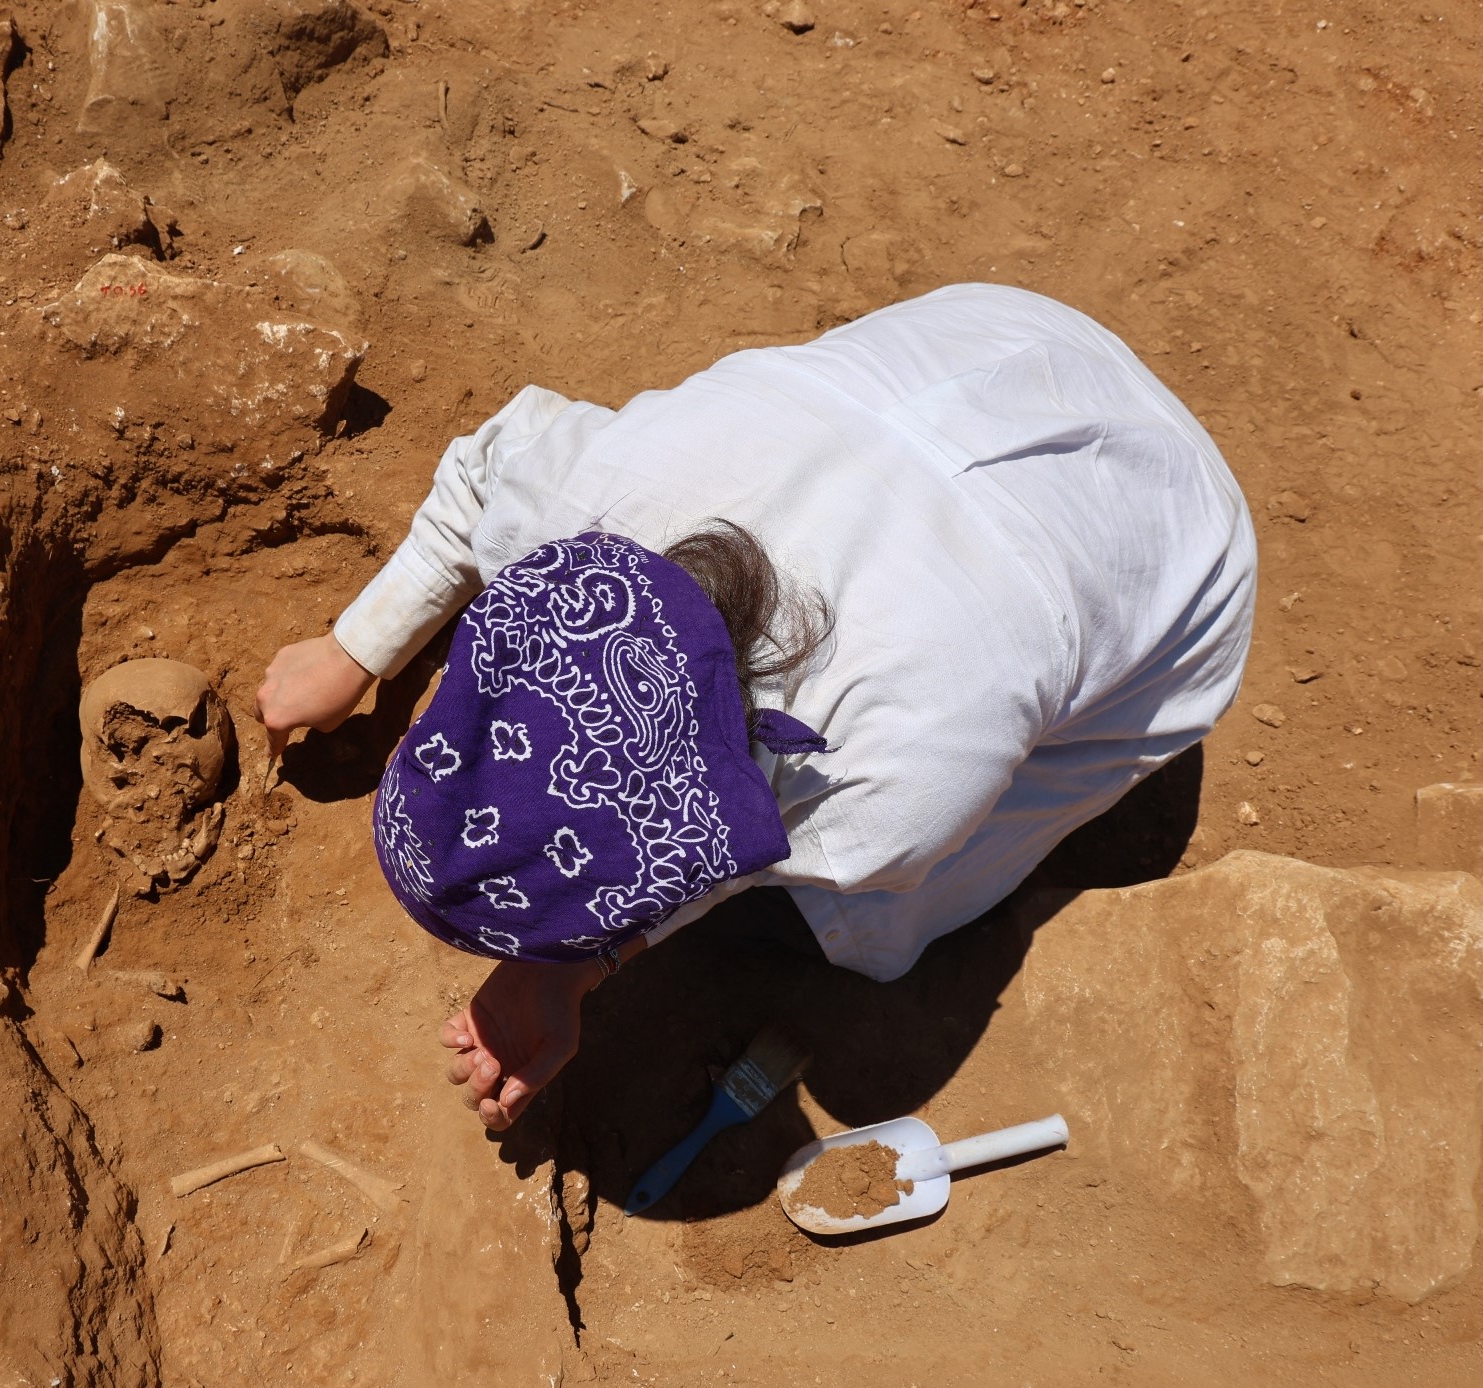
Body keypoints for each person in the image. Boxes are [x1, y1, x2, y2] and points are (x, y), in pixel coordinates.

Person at [256, 284, 1256, 1131]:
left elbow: (746, 858)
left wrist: (580, 966)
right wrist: (357, 646)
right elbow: (484, 473)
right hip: (1002, 338)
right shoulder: (588, 505)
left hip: (1179, 559)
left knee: (858, 934)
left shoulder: (897, 777)